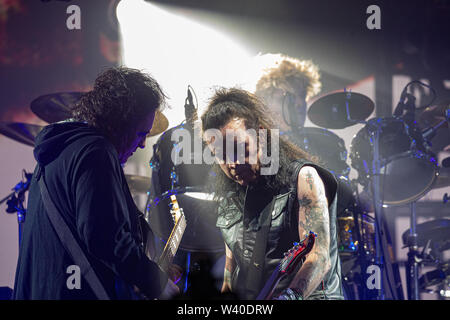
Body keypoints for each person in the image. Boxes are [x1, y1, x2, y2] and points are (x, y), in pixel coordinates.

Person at [13, 67, 179, 300]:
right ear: (121, 122)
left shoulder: (61, 149)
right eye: (140, 133)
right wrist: (157, 282)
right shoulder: (95, 152)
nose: (142, 144)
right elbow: (104, 237)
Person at [201, 88, 344, 300]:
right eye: (221, 155)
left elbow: (319, 258)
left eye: (239, 148)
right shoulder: (230, 199)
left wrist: (288, 297)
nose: (232, 163)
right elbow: (230, 273)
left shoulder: (303, 178)